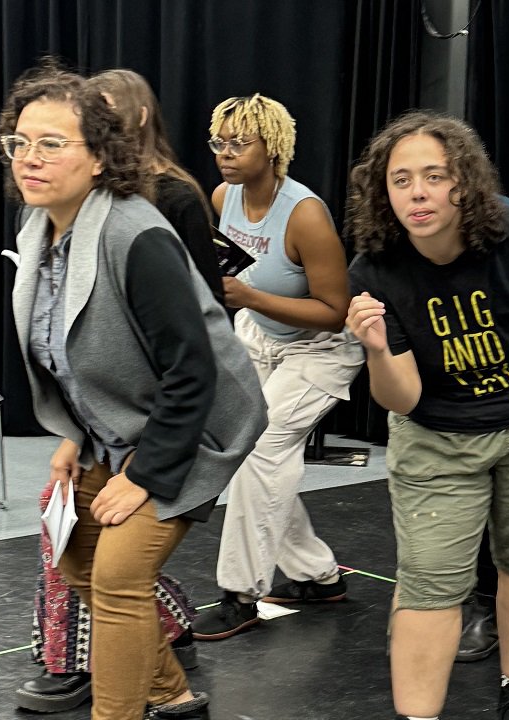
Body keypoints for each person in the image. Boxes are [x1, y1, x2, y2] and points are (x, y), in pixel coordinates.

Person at [0, 64, 266, 719]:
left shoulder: (133, 233)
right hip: (114, 430)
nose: (29, 159)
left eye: (51, 144)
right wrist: (72, 435)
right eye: (19, 142)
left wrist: (144, 474)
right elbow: (70, 352)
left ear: (98, 158)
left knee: (118, 578)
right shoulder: (40, 228)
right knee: (77, 564)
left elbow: (192, 369)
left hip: (190, 431)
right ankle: (173, 696)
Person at [345, 111, 509, 720]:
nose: (419, 193)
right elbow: (400, 398)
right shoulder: (374, 268)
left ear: (465, 183)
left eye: (435, 176)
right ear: (384, 192)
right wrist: (376, 348)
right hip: (437, 436)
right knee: (430, 581)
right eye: (401, 180)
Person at [189, 94, 364, 640]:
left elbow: (335, 313)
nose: (225, 153)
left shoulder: (305, 214)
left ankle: (241, 595)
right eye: (219, 142)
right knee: (246, 447)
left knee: (263, 448)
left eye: (240, 142)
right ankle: (317, 575)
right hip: (262, 337)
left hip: (322, 348)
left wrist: (249, 296)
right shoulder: (225, 197)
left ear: (274, 147)